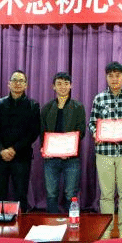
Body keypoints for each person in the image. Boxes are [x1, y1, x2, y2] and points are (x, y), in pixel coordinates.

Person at [88, 61, 122, 239]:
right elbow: (91, 123)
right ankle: (106, 230)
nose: (114, 79)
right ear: (106, 77)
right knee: (106, 194)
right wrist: (96, 133)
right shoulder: (99, 98)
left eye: (117, 75)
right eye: (111, 76)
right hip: (104, 152)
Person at [0, 69, 40, 212]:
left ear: (26, 85)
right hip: (0, 155)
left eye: (21, 81)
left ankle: (21, 223)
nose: (17, 83)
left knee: (21, 194)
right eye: (14, 80)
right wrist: (1, 150)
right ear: (8, 84)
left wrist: (14, 149)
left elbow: (33, 132)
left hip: (22, 156)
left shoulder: (33, 105)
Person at [40, 71, 86, 213]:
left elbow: (81, 131)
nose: (63, 87)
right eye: (59, 84)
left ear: (71, 86)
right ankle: (51, 223)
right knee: (51, 193)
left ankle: (71, 222)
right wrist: (43, 147)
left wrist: (69, 149)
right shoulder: (46, 108)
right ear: (53, 86)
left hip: (71, 158)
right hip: (50, 158)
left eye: (66, 84)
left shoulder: (78, 107)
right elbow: (42, 131)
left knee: (70, 193)